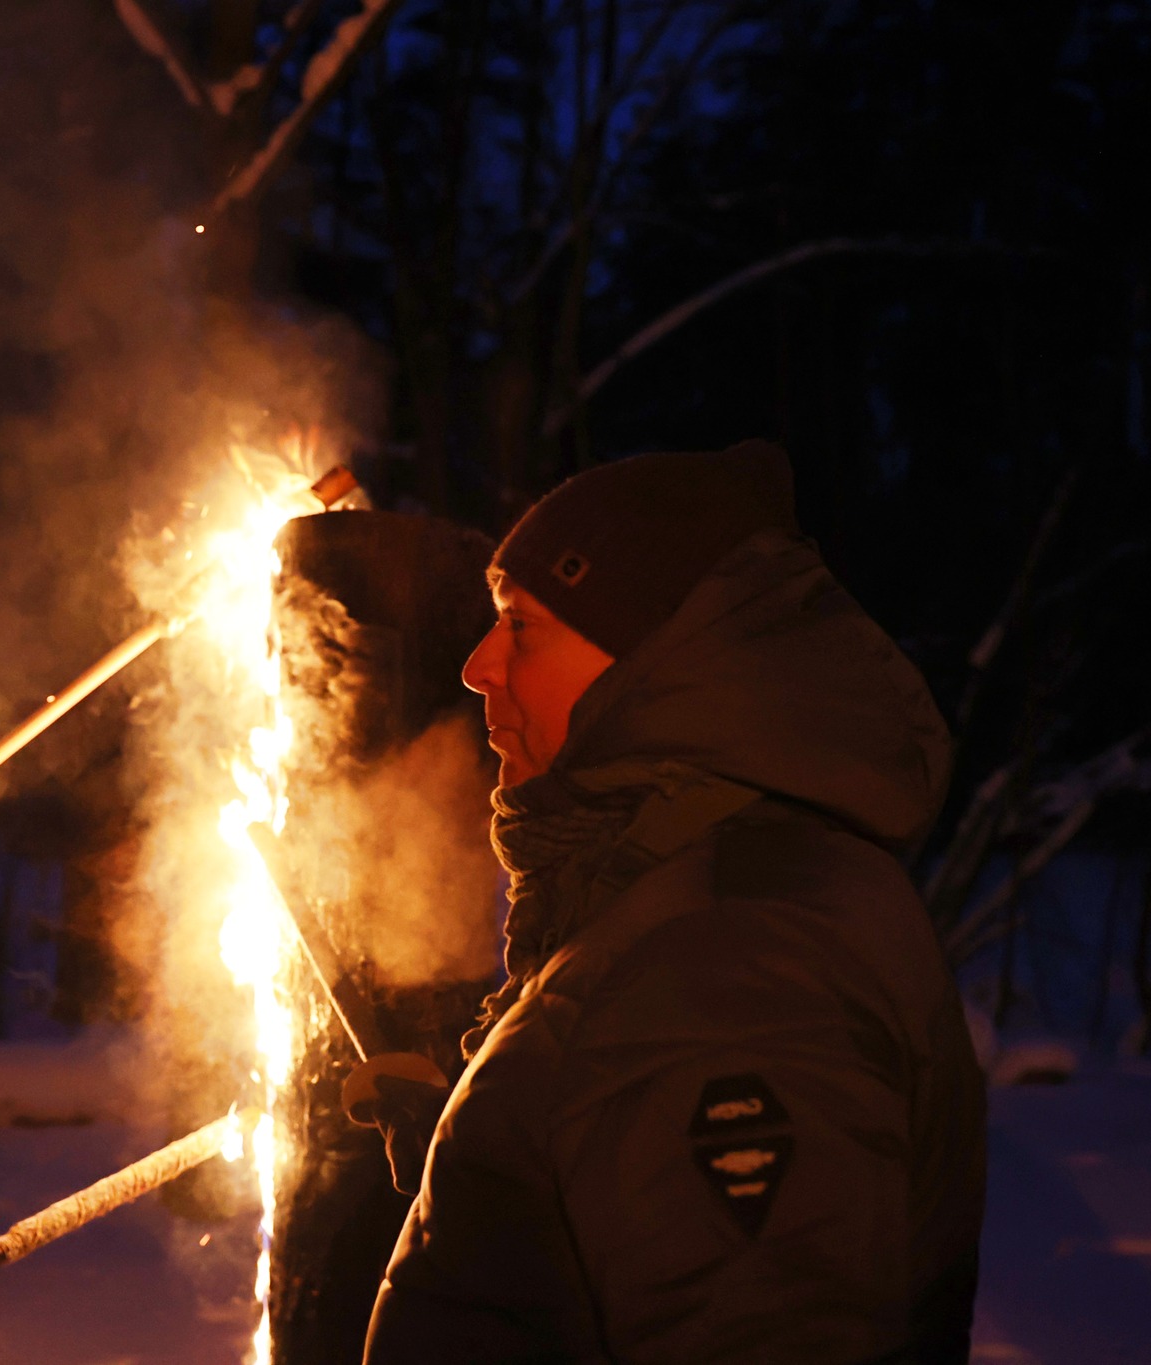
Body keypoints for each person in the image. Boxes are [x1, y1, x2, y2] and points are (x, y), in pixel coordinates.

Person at [361, 443, 986, 1364]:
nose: (478, 666)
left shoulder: (727, 962)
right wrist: (486, 1165)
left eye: (522, 626)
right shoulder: (698, 894)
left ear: (655, 661)